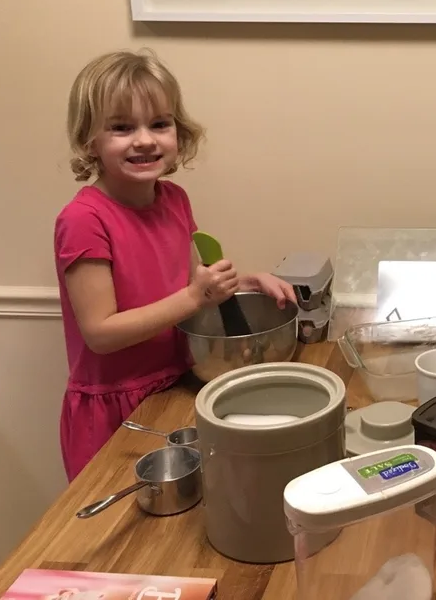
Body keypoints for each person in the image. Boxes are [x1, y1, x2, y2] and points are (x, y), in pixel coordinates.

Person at [54, 48, 296, 482]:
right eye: (121, 127)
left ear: (178, 133)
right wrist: (194, 296)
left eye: (159, 124)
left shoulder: (175, 200)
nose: (145, 140)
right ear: (89, 140)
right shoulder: (83, 220)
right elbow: (101, 333)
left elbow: (188, 290)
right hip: (117, 408)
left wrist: (245, 282)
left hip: (177, 384)